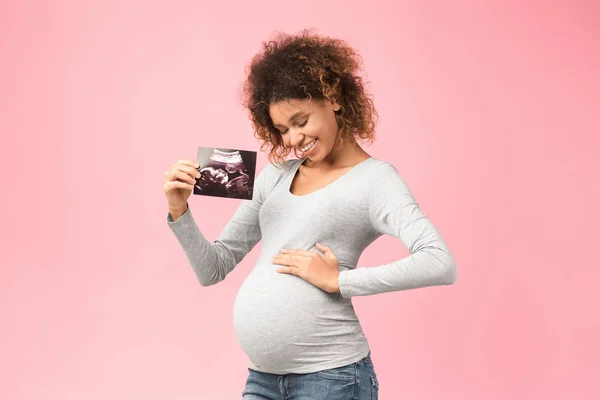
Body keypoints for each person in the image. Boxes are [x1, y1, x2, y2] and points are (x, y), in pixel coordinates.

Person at [163, 30, 457, 400]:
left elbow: (440, 263)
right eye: (283, 129)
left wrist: (340, 281)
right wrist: (179, 208)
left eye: (301, 122)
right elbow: (213, 268)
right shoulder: (274, 175)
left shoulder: (376, 180)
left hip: (332, 379)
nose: (292, 139)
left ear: (333, 99)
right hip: (262, 380)